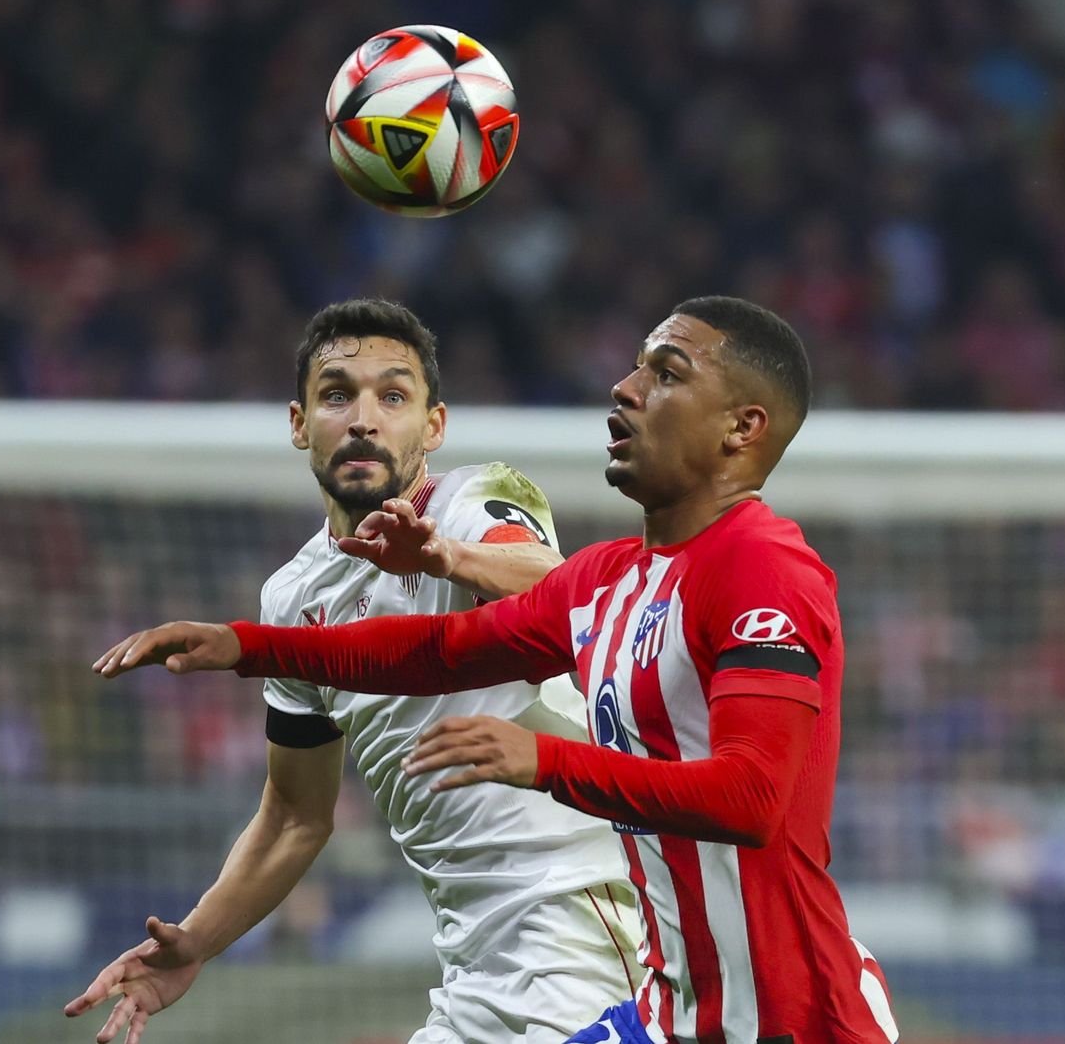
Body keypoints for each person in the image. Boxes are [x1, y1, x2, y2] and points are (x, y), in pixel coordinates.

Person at [95, 296, 900, 1044]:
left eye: (663, 373)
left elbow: (752, 796)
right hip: (656, 1005)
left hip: (727, 991)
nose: (622, 387)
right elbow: (437, 655)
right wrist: (246, 646)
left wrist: (540, 756)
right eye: (339, 395)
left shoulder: (749, 563)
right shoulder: (616, 577)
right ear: (300, 421)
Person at [67, 299, 640, 1044]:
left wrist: (448, 558)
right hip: (475, 966)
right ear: (300, 423)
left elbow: (567, 593)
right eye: (338, 394)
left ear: (433, 426)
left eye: (393, 395)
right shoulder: (294, 596)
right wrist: (198, 940)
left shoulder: (471, 504)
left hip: (582, 936)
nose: (364, 418)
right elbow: (295, 814)